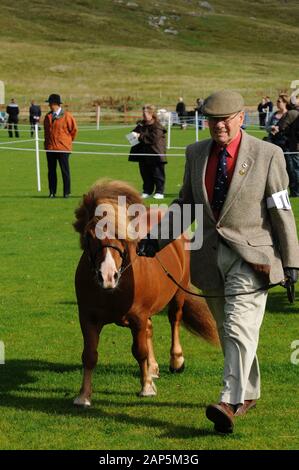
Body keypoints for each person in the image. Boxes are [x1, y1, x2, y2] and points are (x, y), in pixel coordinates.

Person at [136, 90, 299, 433]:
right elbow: (186, 206)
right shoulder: (196, 153)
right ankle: (249, 391)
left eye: (225, 119)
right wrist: (156, 239)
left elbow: (282, 212)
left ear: (241, 118)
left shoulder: (268, 154)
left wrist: (291, 262)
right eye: (212, 120)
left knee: (239, 326)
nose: (219, 126)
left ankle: (229, 400)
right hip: (208, 259)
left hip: (253, 258)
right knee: (229, 331)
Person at [128, 104, 167, 199]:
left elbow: (152, 139)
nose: (144, 115)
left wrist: (139, 136)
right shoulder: (141, 124)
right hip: (143, 153)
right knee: (145, 174)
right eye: (143, 113)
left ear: (152, 114)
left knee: (157, 174)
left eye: (146, 113)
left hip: (155, 153)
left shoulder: (157, 126)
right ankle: (147, 191)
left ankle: (159, 192)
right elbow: (133, 134)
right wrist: (133, 135)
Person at [44, 94, 77, 198]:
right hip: (50, 148)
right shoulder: (47, 116)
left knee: (65, 171)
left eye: (50, 103)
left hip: (63, 148)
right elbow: (46, 132)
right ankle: (52, 192)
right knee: (51, 171)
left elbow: (74, 130)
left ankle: (66, 192)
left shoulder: (67, 116)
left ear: (55, 104)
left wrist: (66, 141)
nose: (49, 105)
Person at [274, 97, 299, 197]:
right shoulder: (295, 113)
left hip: (294, 146)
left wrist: (277, 129)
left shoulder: (291, 113)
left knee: (293, 169)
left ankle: (295, 191)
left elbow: (283, 127)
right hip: (293, 146)